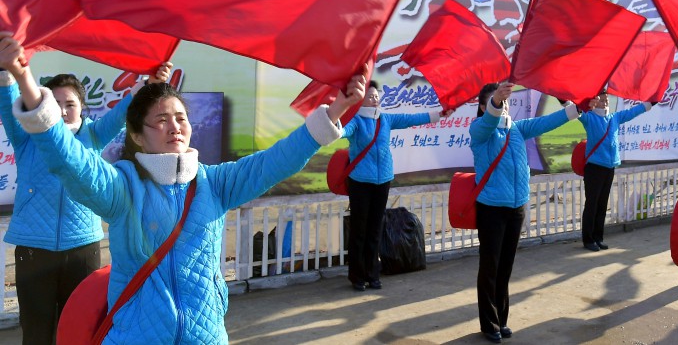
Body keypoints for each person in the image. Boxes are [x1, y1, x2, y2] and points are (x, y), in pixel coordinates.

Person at [0, 34, 366, 343]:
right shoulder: (123, 188)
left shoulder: (215, 183)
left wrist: (334, 111)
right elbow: (68, 159)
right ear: (138, 136)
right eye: (161, 119)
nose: (174, 126)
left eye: (180, 117)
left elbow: (277, 159)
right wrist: (21, 74)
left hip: (206, 336)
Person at [0, 34, 171, 345]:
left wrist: (149, 85)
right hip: (33, 249)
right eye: (56, 103)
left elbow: (125, 113)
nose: (64, 111)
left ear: (83, 108)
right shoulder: (26, 137)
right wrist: (5, 71)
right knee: (36, 331)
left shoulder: (94, 135)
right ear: (43, 105)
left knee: (79, 328)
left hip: (83, 248)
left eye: (71, 104)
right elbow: (8, 96)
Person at [470, 81, 579, 343]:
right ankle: (489, 324)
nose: (503, 105)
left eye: (505, 102)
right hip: (491, 208)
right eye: (496, 102)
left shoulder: (518, 129)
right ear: (483, 107)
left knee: (505, 267)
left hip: (516, 207)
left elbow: (551, 121)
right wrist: (497, 101)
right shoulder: (479, 131)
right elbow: (488, 123)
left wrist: (578, 107)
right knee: (491, 266)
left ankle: (502, 320)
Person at [343, 80, 447, 291]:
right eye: (370, 96)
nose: (374, 99)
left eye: (376, 95)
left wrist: (438, 115)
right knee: (359, 230)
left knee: (375, 228)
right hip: (360, 181)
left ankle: (373, 275)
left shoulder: (386, 118)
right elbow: (342, 131)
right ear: (360, 100)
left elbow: (410, 119)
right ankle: (357, 276)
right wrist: (333, 127)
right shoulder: (356, 121)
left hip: (383, 181)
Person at [578, 89, 653, 251]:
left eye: (607, 99)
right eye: (602, 99)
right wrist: (562, 99)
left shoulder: (614, 118)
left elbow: (634, 111)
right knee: (592, 204)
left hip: (609, 168)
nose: (605, 102)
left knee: (602, 204)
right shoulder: (589, 118)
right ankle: (588, 239)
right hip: (594, 168)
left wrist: (652, 101)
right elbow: (572, 109)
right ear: (594, 101)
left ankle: (598, 237)